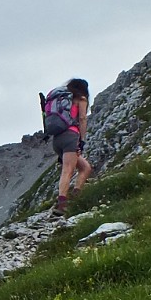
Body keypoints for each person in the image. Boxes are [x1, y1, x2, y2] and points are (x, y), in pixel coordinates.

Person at [50, 77, 93, 217]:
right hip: (71, 136)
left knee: (85, 167)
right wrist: (82, 140)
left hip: (57, 139)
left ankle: (75, 197)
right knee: (68, 170)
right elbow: (82, 118)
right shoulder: (81, 99)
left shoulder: (62, 98)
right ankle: (62, 204)